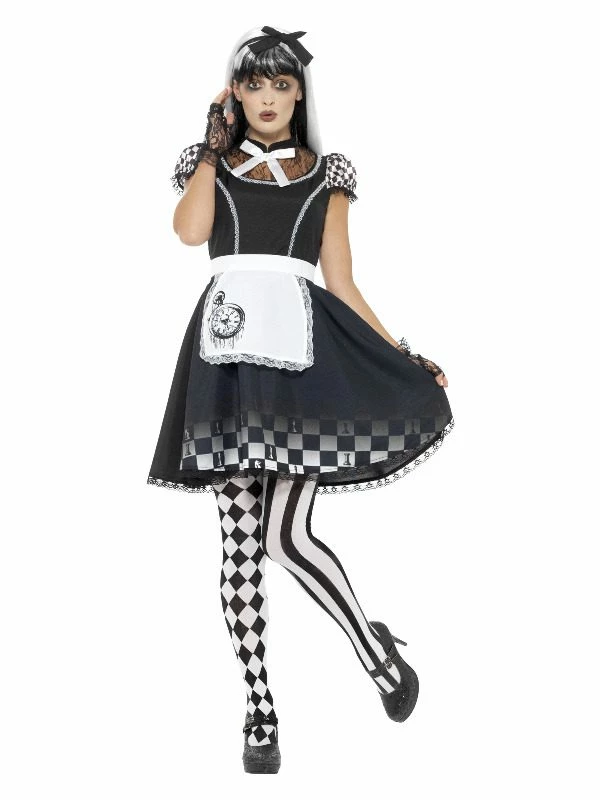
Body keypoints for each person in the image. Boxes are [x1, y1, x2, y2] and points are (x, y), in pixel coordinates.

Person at [147, 25, 454, 773]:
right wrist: (211, 145)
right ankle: (260, 710)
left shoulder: (326, 177)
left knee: (284, 536)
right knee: (239, 549)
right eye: (253, 84)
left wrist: (401, 353)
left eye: (282, 85)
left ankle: (374, 653)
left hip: (299, 360)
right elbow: (189, 233)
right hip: (224, 359)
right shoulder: (211, 167)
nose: (268, 98)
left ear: (300, 95)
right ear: (235, 93)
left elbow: (340, 280)